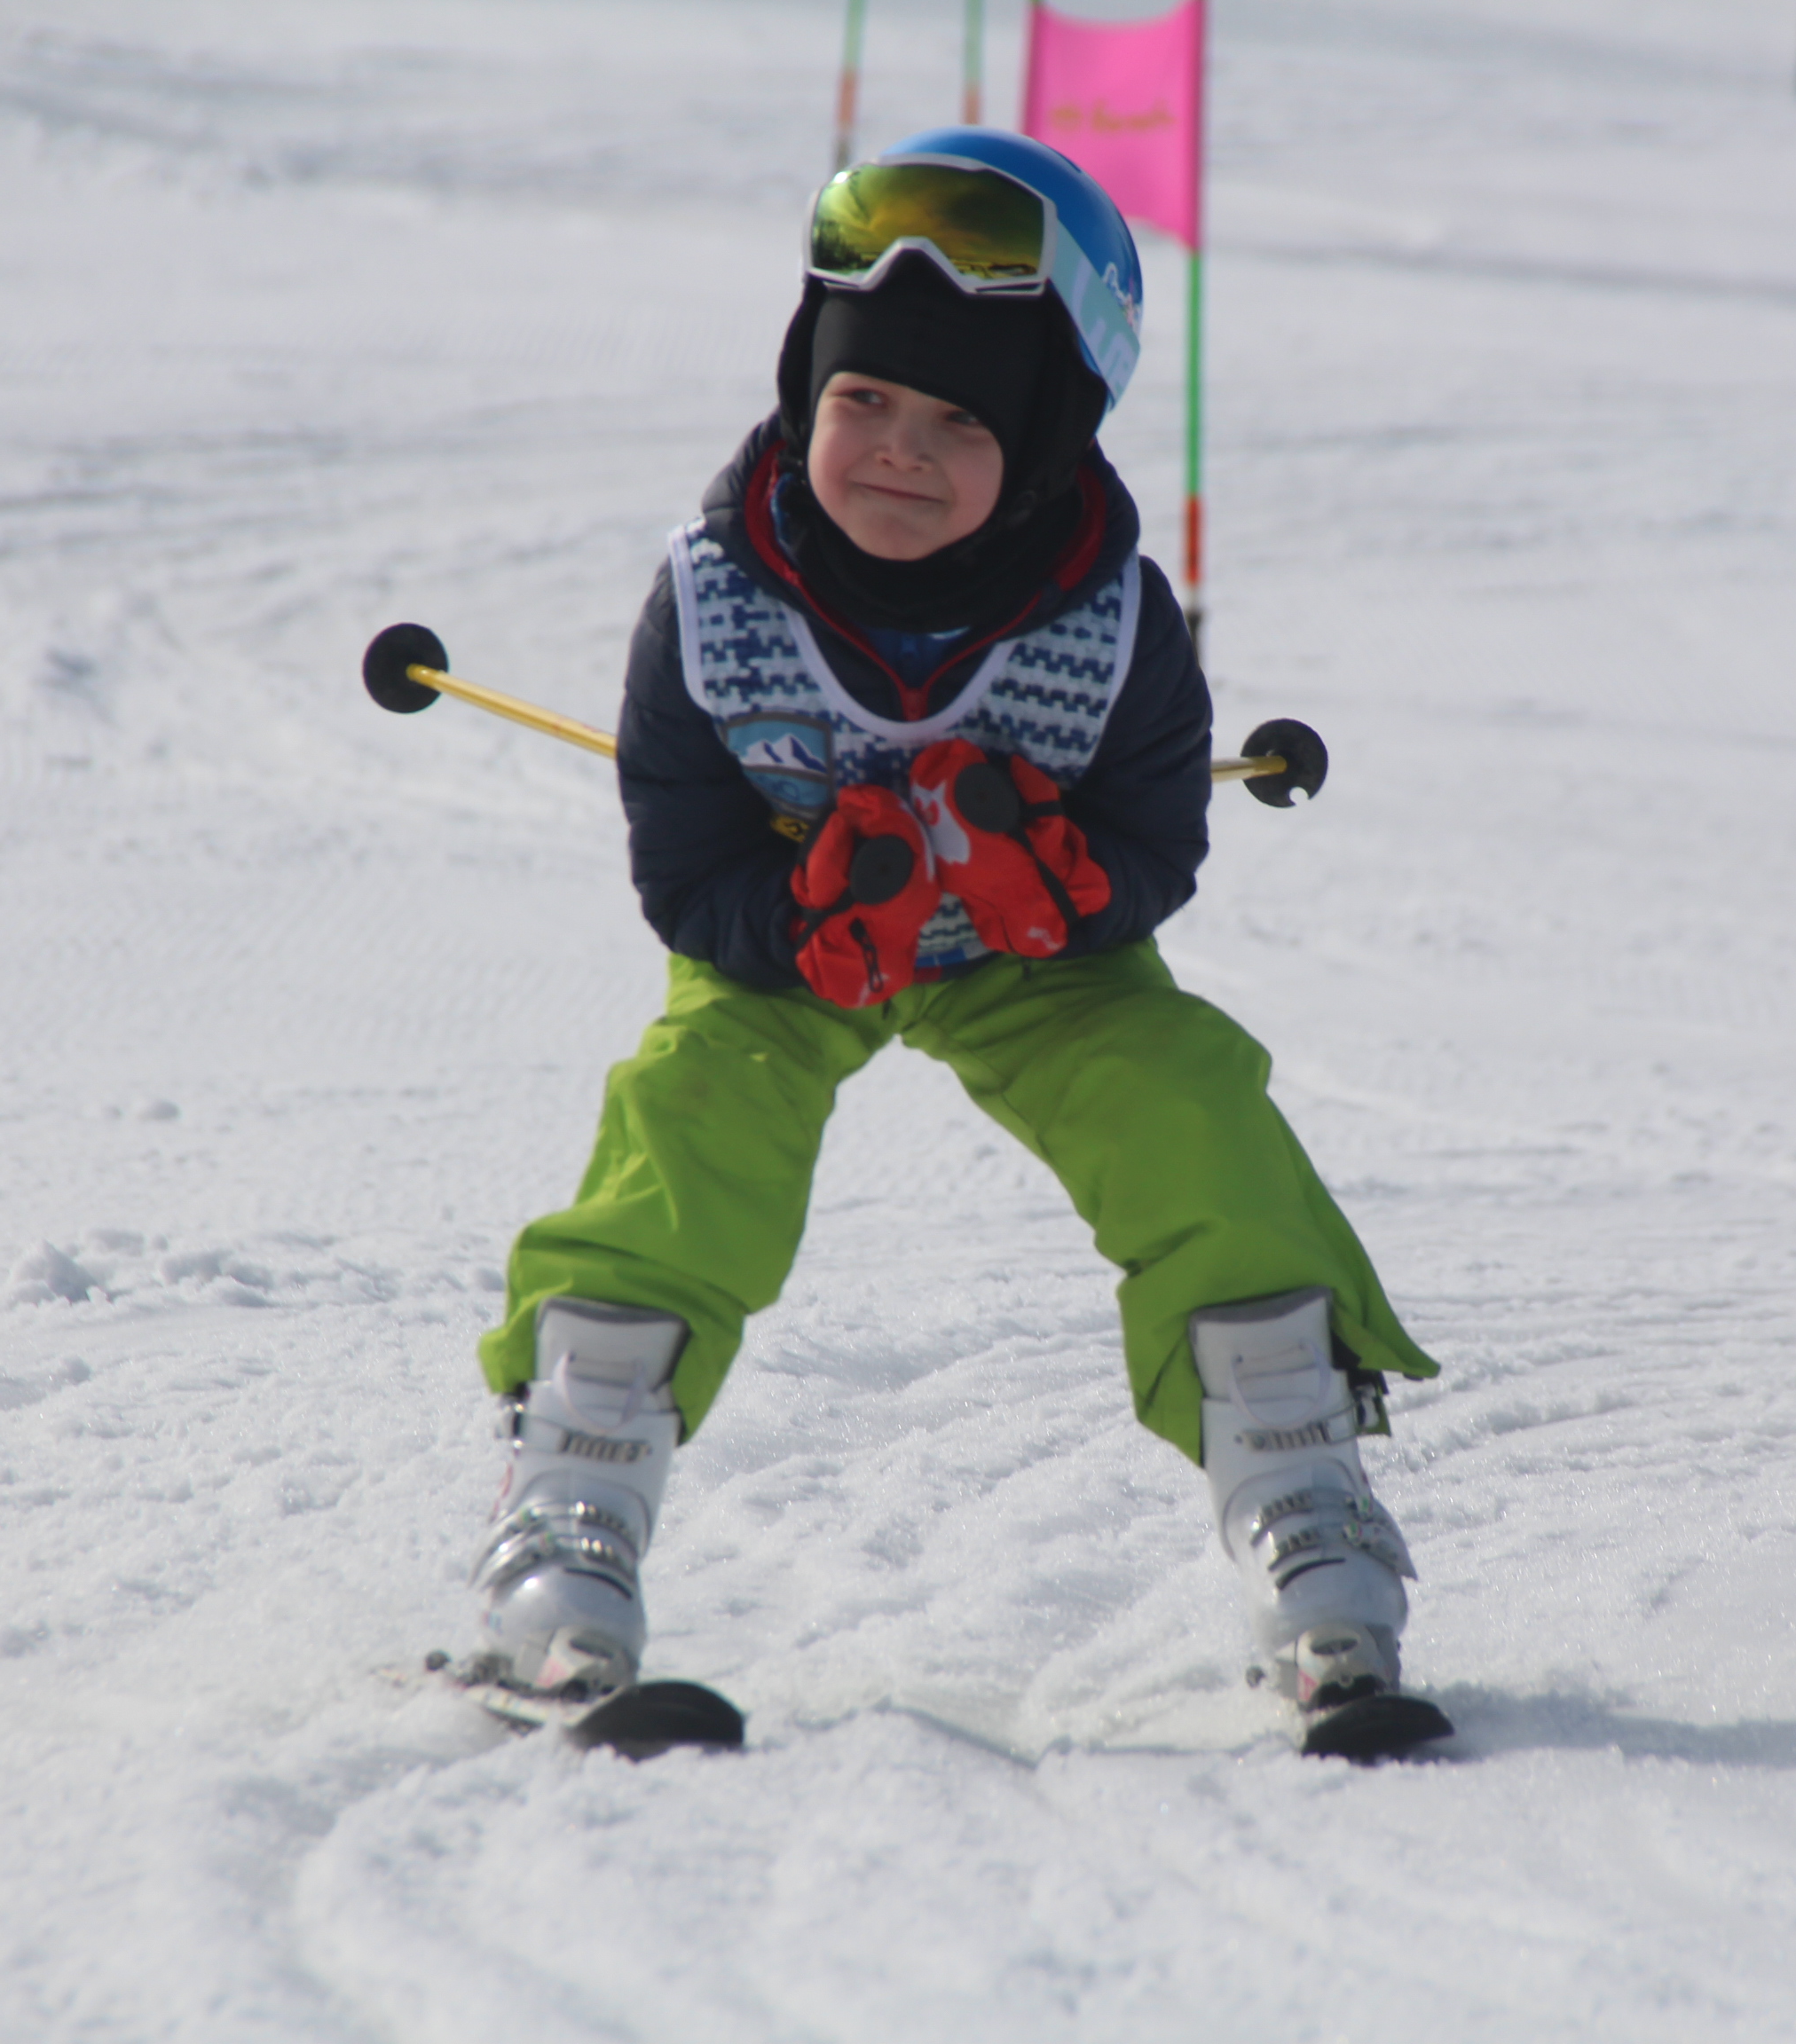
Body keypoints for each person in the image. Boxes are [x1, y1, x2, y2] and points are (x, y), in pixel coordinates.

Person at [465, 130, 1443, 1743]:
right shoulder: (715, 602)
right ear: (806, 382)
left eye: (961, 422)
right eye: (863, 398)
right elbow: (684, 863)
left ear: (1048, 439)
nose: (898, 453)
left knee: (1186, 1109)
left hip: (1029, 961)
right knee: (691, 1122)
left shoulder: (1110, 623)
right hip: (792, 948)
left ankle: (1305, 1510)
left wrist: (1052, 884)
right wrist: (801, 914)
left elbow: (1156, 836)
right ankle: (567, 1520)